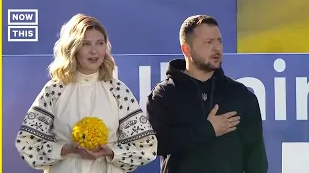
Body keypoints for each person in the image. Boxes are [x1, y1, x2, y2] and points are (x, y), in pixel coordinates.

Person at [15, 13, 157, 173]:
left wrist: (111, 152)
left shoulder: (118, 90)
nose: (94, 51)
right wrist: (66, 149)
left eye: (100, 43)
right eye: (86, 44)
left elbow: (146, 146)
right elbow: (26, 144)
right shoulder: (54, 90)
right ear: (72, 48)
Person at [146, 15, 268, 173]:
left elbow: (255, 155)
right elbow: (155, 144)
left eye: (219, 41)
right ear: (186, 49)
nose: (217, 48)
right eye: (209, 42)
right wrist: (208, 129)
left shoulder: (240, 94)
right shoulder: (163, 95)